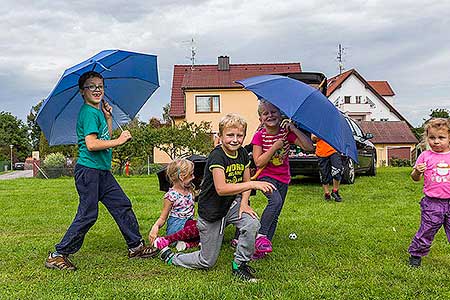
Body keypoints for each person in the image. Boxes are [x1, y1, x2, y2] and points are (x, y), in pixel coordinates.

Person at [45, 71, 157, 271]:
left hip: (102, 171)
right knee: (88, 214)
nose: (97, 90)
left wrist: (107, 118)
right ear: (82, 91)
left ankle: (136, 247)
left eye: (100, 86)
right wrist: (120, 141)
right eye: (91, 86)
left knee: (122, 204)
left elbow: (104, 138)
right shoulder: (88, 113)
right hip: (89, 171)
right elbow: (91, 144)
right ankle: (58, 254)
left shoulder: (97, 113)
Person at [158, 113, 276, 282]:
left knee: (252, 223)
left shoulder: (242, 153)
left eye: (239, 135)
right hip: (211, 212)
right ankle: (172, 257)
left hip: (230, 205)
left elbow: (246, 180)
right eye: (230, 135)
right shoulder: (217, 156)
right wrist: (252, 185)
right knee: (207, 261)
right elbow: (221, 188)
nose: (235, 140)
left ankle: (239, 265)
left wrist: (244, 203)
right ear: (220, 137)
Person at [248, 100, 313, 259]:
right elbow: (258, 162)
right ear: (260, 119)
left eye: (273, 112)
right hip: (265, 176)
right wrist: (275, 147)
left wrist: (293, 129)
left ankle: (263, 248)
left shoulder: (286, 133)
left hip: (283, 177)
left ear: (280, 114)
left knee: (276, 212)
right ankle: (261, 236)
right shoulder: (259, 136)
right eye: (265, 113)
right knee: (275, 201)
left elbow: (309, 147)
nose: (270, 115)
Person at [408, 118, 450, 268]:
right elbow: (414, 178)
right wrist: (417, 172)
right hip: (433, 203)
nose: (436, 142)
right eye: (432, 138)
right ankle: (416, 254)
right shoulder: (425, 156)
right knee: (427, 229)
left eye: (441, 137)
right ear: (426, 138)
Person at [149, 158, 200, 251]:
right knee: (200, 226)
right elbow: (163, 217)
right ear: (181, 176)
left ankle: (186, 244)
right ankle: (168, 240)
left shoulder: (190, 190)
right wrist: (155, 227)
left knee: (206, 229)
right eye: (191, 175)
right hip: (177, 226)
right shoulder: (171, 196)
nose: (193, 177)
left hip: (189, 225)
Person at [311, 134, 343, 202]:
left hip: (334, 150)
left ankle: (335, 191)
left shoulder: (334, 124)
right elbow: (313, 138)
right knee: (324, 174)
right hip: (321, 152)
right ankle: (327, 193)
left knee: (337, 170)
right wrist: (320, 135)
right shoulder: (318, 125)